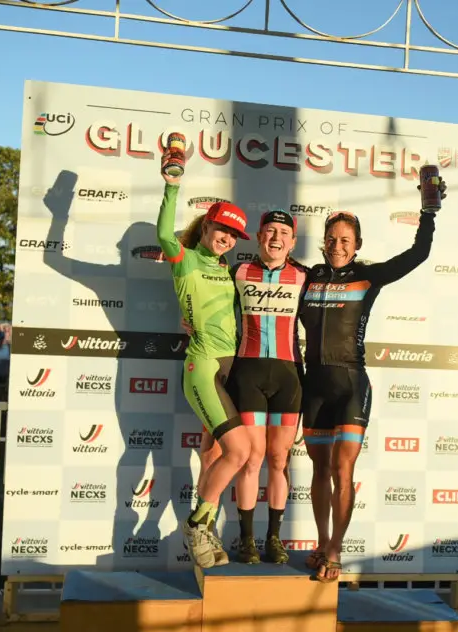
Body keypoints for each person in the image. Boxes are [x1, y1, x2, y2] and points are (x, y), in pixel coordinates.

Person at [299, 177, 447, 583]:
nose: (338, 244)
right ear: (324, 241)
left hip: (350, 385)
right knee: (318, 470)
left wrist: (428, 213)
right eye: (332, 238)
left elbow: (419, 253)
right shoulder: (306, 279)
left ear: (357, 245)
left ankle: (335, 550)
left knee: (342, 470)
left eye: (346, 240)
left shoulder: (369, 277)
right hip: (313, 388)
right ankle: (321, 540)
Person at [184, 209, 307, 564]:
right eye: (269, 230)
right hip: (248, 373)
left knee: (279, 460)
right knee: (251, 459)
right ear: (257, 236)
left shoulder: (304, 277)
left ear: (293, 242)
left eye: (283, 232)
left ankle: (274, 538)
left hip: (289, 376)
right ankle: (247, 540)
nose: (275, 237)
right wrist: (189, 319)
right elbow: (209, 299)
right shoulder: (236, 271)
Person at [156, 155, 253, 569]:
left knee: (213, 454)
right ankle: (196, 524)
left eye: (234, 234)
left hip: (230, 371)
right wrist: (172, 185)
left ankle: (205, 531)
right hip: (203, 368)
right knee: (240, 451)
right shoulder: (188, 259)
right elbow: (163, 234)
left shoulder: (224, 267)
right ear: (207, 225)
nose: (227, 238)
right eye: (222, 229)